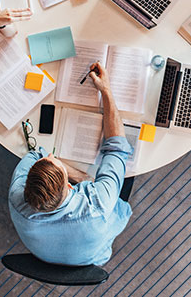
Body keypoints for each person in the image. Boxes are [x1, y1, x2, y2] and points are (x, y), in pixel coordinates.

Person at [8, 62, 133, 266]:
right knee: (128, 174)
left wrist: (74, 174)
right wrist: (106, 90)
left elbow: (35, 155)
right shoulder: (98, 205)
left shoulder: (16, 196)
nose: (50, 155)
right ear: (69, 185)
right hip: (92, 259)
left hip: (43, 255)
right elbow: (117, 147)